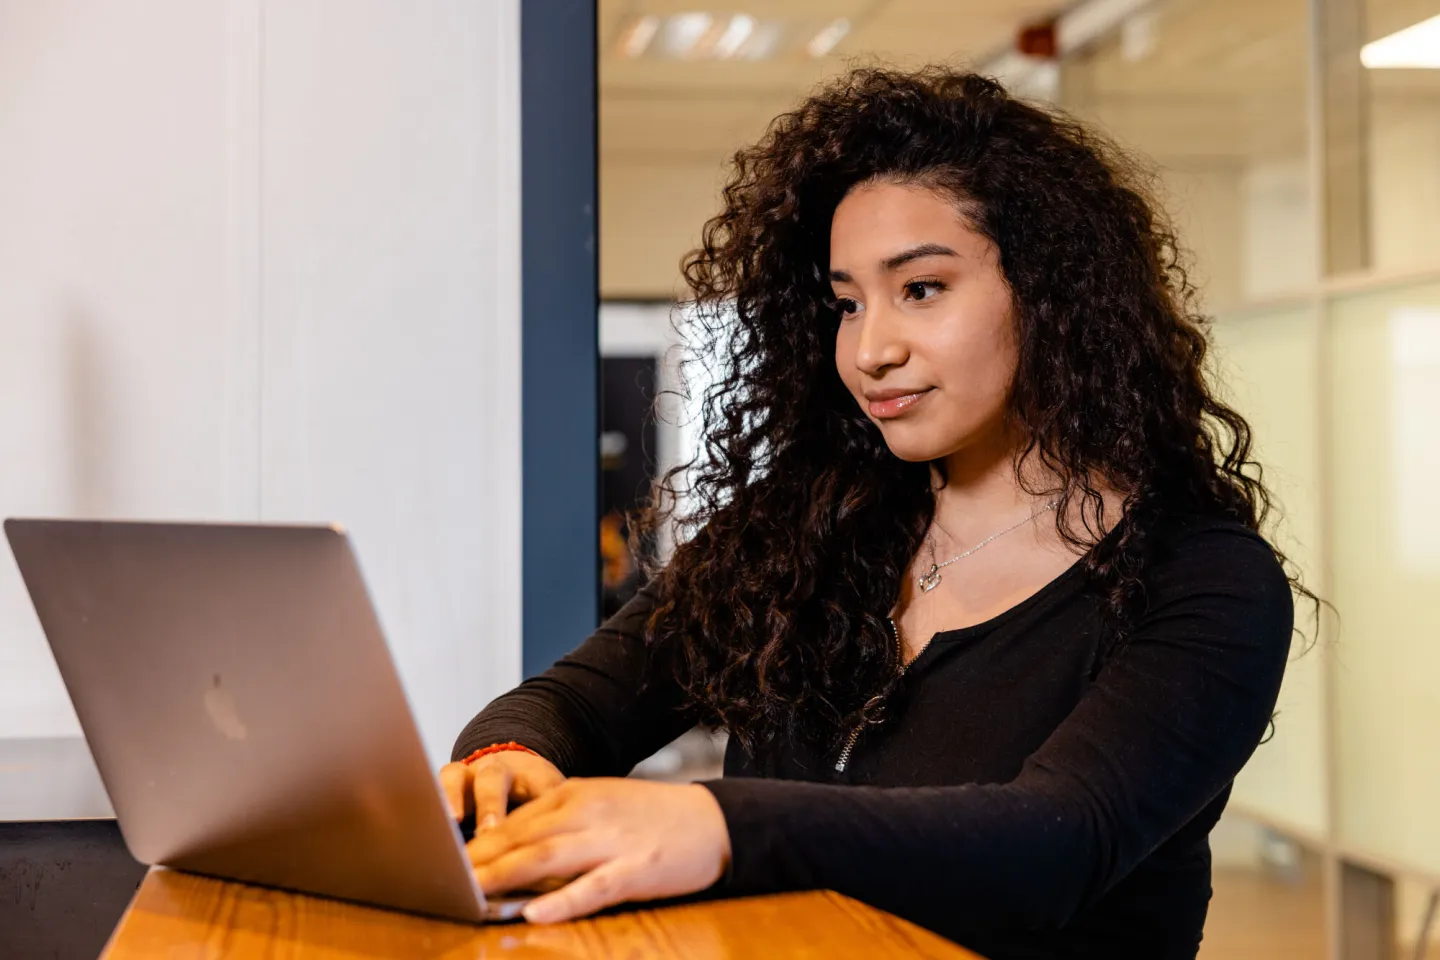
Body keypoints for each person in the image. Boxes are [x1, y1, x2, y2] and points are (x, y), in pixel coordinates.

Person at [438, 66, 1310, 959]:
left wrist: (718, 824)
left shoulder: (1204, 581)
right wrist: (506, 761)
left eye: (921, 289)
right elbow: (574, 704)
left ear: (1053, 296)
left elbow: (1055, 841)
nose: (869, 350)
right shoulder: (803, 527)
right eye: (847, 304)